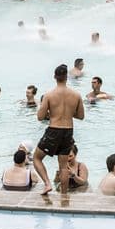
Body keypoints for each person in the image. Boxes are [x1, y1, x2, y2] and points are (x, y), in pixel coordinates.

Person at [33, 63, 86, 197]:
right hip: (68, 131)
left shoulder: (49, 95)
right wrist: (67, 113)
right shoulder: (76, 95)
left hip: (53, 130)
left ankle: (47, 183)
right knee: (63, 166)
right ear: (66, 77)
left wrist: (52, 112)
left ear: (55, 77)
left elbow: (40, 117)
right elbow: (80, 116)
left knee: (37, 158)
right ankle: (64, 195)